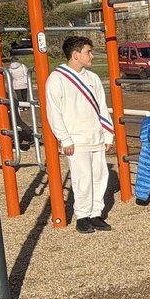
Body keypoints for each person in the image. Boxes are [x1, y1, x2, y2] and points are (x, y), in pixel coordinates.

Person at [45, 36, 115, 234]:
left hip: (96, 137)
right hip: (76, 139)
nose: (91, 55)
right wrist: (65, 139)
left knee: (100, 177)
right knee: (82, 178)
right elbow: (54, 112)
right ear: (76, 54)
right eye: (88, 52)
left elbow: (102, 107)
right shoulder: (57, 78)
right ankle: (82, 216)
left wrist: (108, 135)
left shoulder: (92, 78)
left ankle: (96, 213)